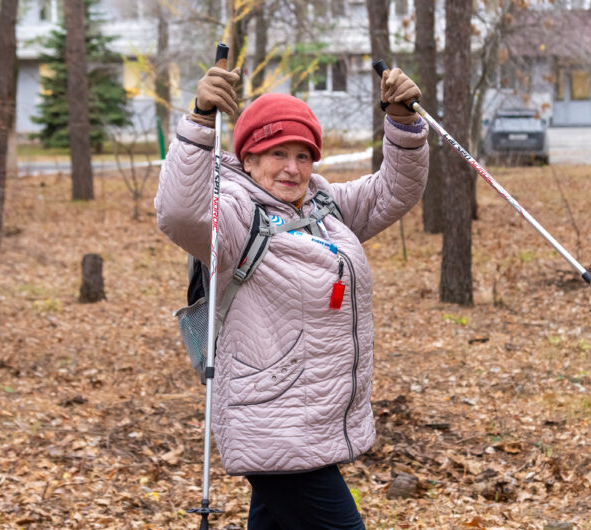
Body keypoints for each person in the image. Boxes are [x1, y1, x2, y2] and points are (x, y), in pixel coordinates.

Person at [154, 63, 428, 529]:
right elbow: (179, 213)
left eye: (303, 155)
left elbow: (394, 191)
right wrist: (200, 119)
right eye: (277, 153)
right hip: (275, 426)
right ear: (248, 159)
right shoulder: (236, 215)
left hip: (312, 421)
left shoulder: (324, 208)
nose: (292, 168)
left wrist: (402, 123)